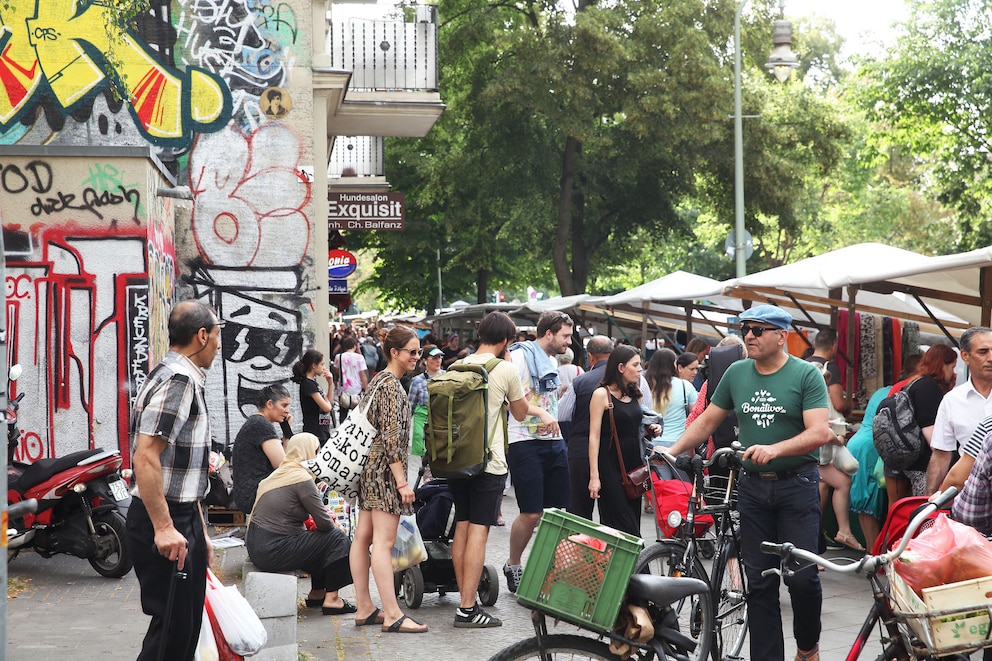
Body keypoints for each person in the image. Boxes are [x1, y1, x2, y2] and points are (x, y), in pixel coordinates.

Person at [667, 304, 834, 661]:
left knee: (802, 578)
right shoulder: (736, 372)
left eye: (759, 330)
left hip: (796, 485)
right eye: (746, 329)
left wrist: (775, 449)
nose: (749, 336)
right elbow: (708, 420)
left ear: (781, 336)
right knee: (759, 583)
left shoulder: (806, 374)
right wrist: (670, 451)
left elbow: (820, 431)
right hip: (753, 488)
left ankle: (808, 647)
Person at [126, 301, 222, 661]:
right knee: (171, 636)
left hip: (183, 519)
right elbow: (146, 456)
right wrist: (164, 528)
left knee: (182, 631)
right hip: (165, 522)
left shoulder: (175, 374)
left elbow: (183, 467)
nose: (217, 343)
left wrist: (202, 533)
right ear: (201, 336)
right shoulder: (179, 381)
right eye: (216, 335)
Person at [450, 311, 555, 627]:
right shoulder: (505, 368)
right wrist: (507, 361)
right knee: (479, 530)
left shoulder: (456, 366)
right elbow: (520, 414)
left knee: (462, 525)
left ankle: (464, 598)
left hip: (456, 460)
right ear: (506, 340)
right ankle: (467, 609)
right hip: (488, 461)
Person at [349, 326, 428, 633]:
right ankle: (393, 614)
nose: (417, 357)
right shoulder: (392, 386)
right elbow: (392, 439)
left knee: (363, 539)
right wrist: (402, 483)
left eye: (418, 351)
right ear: (394, 352)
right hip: (384, 471)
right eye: (412, 351)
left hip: (369, 470)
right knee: (383, 543)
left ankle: (365, 607)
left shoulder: (377, 381)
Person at [246, 433, 354, 615]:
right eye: (317, 451)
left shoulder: (279, 474)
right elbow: (325, 525)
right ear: (309, 453)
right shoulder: (301, 479)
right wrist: (335, 525)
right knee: (336, 539)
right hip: (272, 549)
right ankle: (332, 600)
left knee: (319, 540)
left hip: (258, 547)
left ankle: (317, 593)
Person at [502, 310, 570, 594]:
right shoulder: (518, 357)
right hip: (524, 440)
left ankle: (546, 571)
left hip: (553, 441)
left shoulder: (552, 361)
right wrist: (540, 411)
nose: (570, 340)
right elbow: (508, 399)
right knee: (531, 513)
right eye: (565, 335)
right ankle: (514, 564)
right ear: (549, 333)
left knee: (556, 513)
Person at [588, 345, 656, 536]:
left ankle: (630, 565)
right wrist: (594, 476)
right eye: (635, 365)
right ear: (620, 368)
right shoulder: (601, 395)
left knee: (633, 520)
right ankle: (641, 566)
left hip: (633, 465)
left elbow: (637, 424)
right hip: (610, 465)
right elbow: (593, 436)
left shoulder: (635, 393)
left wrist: (651, 428)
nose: (640, 369)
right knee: (622, 526)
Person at [875, 343, 956, 498]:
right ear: (942, 366)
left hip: (905, 458)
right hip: (922, 464)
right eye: (952, 367)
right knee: (923, 508)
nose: (952, 373)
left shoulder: (913, 382)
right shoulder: (929, 387)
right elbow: (932, 434)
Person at [806, 330, 861, 551]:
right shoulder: (830, 368)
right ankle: (834, 534)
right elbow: (838, 404)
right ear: (834, 346)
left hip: (814, 439)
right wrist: (849, 402)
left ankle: (818, 541)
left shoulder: (801, 365)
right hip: (820, 439)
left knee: (823, 486)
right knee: (839, 482)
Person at [928, 327, 992, 494]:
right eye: (983, 352)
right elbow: (941, 454)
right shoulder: (952, 400)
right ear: (965, 356)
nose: (990, 358)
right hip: (970, 496)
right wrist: (928, 500)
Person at [558, 336, 615, 519]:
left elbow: (562, 414)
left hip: (581, 451)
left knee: (578, 513)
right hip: (616, 453)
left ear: (590, 357)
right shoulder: (629, 380)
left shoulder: (580, 382)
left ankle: (579, 546)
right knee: (615, 513)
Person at [232, 384, 292, 517]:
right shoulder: (261, 425)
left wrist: (286, 433)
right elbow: (282, 465)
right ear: (270, 404)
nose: (287, 411)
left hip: (251, 493)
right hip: (256, 493)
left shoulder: (256, 422)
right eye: (284, 405)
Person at [847, 387, 891, 552]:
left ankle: (872, 550)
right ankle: (874, 552)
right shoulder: (898, 391)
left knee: (866, 498)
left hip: (860, 444)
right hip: (870, 448)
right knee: (869, 500)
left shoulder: (882, 390)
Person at [644, 349, 699, 451]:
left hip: (651, 442)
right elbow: (696, 415)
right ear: (674, 364)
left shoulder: (645, 385)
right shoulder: (685, 386)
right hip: (680, 444)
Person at [408, 345, 444, 460]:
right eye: (434, 358)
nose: (438, 360)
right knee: (426, 462)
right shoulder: (417, 381)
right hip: (423, 428)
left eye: (439, 357)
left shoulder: (448, 377)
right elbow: (410, 407)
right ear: (424, 361)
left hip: (441, 426)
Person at [291, 349, 335, 441]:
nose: (324, 368)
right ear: (314, 365)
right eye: (322, 364)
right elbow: (327, 408)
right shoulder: (308, 384)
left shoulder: (314, 384)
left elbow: (328, 402)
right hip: (315, 432)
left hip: (322, 431)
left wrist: (330, 384)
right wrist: (326, 400)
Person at [334, 337, 369, 422]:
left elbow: (337, 371)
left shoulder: (339, 357)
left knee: (343, 413)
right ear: (354, 346)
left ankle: (342, 430)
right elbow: (362, 375)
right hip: (356, 389)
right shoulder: (359, 357)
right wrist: (366, 388)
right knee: (357, 414)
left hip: (343, 390)